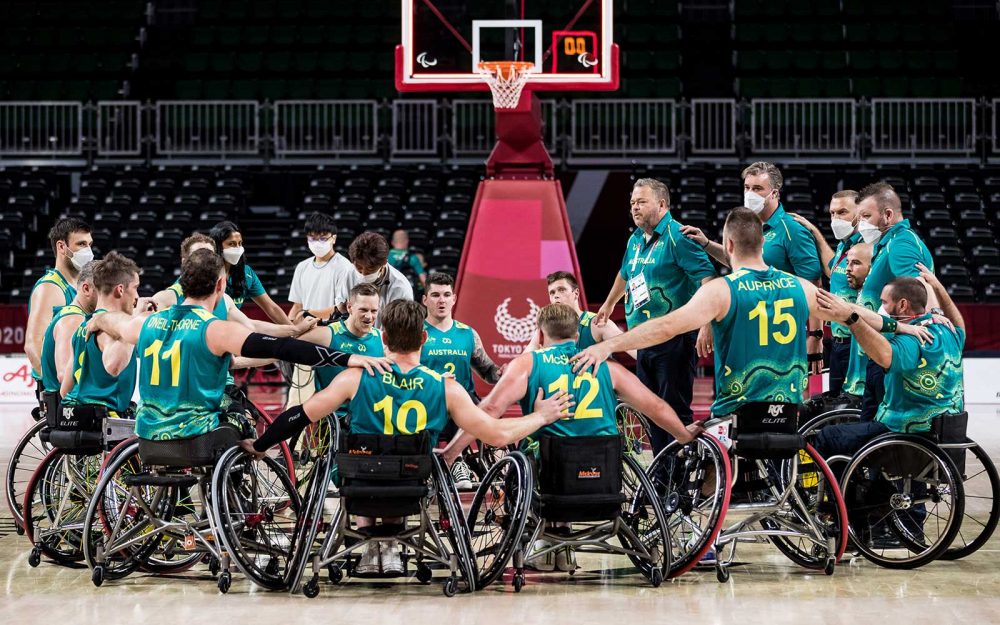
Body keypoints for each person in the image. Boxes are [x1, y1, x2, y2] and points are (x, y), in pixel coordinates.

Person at [245, 299, 574, 577]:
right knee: (410, 459)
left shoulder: (354, 378)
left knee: (355, 453)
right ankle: (391, 545)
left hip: (359, 484)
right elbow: (499, 434)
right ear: (424, 337)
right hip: (413, 486)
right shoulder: (445, 387)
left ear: (383, 337)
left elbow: (297, 416)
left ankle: (372, 546)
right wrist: (542, 415)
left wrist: (260, 447)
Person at [572, 209, 932, 422]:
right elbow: (850, 311)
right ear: (763, 244)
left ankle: (706, 544)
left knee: (695, 439)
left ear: (728, 245)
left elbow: (666, 326)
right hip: (788, 412)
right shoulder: (798, 287)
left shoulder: (721, 290)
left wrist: (609, 346)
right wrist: (900, 325)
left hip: (738, 415)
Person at [442, 303, 702, 571]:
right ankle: (562, 544)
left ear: (540, 336)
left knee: (525, 448)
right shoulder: (606, 368)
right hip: (604, 481)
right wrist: (683, 435)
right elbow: (656, 407)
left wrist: (451, 452)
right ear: (577, 335)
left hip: (553, 481)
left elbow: (490, 410)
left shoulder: (529, 363)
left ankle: (547, 541)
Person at [85, 249, 393, 443]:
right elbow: (282, 348)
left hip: (148, 436)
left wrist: (99, 320)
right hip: (194, 436)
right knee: (243, 419)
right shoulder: (215, 330)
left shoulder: (146, 324)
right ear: (220, 286)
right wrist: (345, 358)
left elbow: (118, 325)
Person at [593, 178, 715, 457]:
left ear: (661, 204)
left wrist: (707, 324)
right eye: (633, 203)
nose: (635, 208)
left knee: (673, 413)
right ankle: (662, 482)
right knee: (651, 412)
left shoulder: (678, 237)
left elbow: (709, 281)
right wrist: (610, 303)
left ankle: (681, 486)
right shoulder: (635, 239)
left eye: (642, 202)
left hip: (674, 340)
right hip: (643, 341)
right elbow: (625, 274)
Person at [682, 163, 825, 374]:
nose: (750, 194)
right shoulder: (749, 225)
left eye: (757, 188)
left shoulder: (792, 229)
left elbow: (815, 285)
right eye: (747, 187)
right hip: (746, 328)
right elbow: (738, 260)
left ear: (774, 193)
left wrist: (815, 336)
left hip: (778, 331)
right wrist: (706, 244)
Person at [813, 270, 964, 458]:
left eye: (884, 302)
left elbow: (884, 356)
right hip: (942, 431)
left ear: (902, 305)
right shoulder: (949, 331)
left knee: (828, 435)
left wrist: (852, 320)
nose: (881, 308)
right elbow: (959, 323)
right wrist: (937, 286)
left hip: (904, 432)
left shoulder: (911, 340)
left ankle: (837, 488)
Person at [853, 182, 935, 421]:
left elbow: (917, 287)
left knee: (876, 429)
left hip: (892, 351)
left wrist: (931, 316)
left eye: (867, 216)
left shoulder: (901, 242)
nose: (862, 224)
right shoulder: (889, 242)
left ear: (888, 215)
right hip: (884, 349)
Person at [420, 272, 504, 489]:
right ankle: (452, 463)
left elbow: (487, 370)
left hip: (464, 402)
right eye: (435, 295)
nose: (441, 300)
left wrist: (501, 373)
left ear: (454, 299)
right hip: (428, 400)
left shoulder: (468, 334)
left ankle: (488, 464)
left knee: (491, 414)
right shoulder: (416, 332)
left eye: (446, 295)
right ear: (425, 299)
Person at [794, 190, 864, 395]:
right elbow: (832, 269)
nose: (836, 219)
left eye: (842, 212)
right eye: (832, 213)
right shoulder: (845, 245)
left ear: (859, 214)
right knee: (836, 404)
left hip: (857, 343)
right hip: (838, 342)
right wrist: (815, 232)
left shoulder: (866, 247)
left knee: (852, 406)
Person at [60, 253, 142, 419]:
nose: (137, 297)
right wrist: (133, 324)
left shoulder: (82, 327)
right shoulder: (112, 328)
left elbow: (65, 390)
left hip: (72, 413)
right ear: (120, 290)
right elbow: (114, 366)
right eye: (135, 288)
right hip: (102, 418)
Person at [25, 217, 93, 405]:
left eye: (89, 244)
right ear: (62, 247)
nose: (88, 250)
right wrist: (55, 390)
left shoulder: (82, 285)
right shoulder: (51, 287)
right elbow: (32, 345)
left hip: (76, 385)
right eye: (81, 244)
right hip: (60, 392)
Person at [525, 271, 635, 358]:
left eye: (561, 290)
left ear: (576, 293)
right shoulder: (547, 328)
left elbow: (634, 349)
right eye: (552, 292)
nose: (556, 296)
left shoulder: (596, 323)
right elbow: (526, 357)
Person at [299, 282, 384, 394]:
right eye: (363, 310)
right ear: (349, 307)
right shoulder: (327, 334)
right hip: (330, 409)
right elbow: (282, 347)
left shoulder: (382, 339)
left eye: (374, 311)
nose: (369, 317)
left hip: (368, 410)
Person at [209, 221, 292, 325]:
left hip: (234, 331)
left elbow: (271, 307)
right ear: (217, 246)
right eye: (231, 244)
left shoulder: (246, 273)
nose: (237, 248)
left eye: (240, 243)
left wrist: (294, 331)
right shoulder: (206, 273)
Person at [39, 262, 98, 396]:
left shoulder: (75, 315)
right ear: (86, 289)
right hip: (65, 411)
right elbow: (63, 374)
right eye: (105, 291)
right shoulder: (73, 320)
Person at [334, 231, 413, 328]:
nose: (363, 274)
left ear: (384, 263)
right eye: (359, 268)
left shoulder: (400, 288)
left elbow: (400, 329)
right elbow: (341, 306)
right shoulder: (349, 272)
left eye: (369, 270)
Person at [841, 244, 873, 398]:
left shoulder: (878, 296)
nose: (847, 268)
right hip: (855, 385)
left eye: (855, 263)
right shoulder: (861, 293)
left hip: (868, 387)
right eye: (847, 263)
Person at [388, 229, 427, 295]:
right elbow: (423, 280)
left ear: (392, 242)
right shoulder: (412, 258)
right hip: (408, 295)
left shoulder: (384, 256)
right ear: (407, 241)